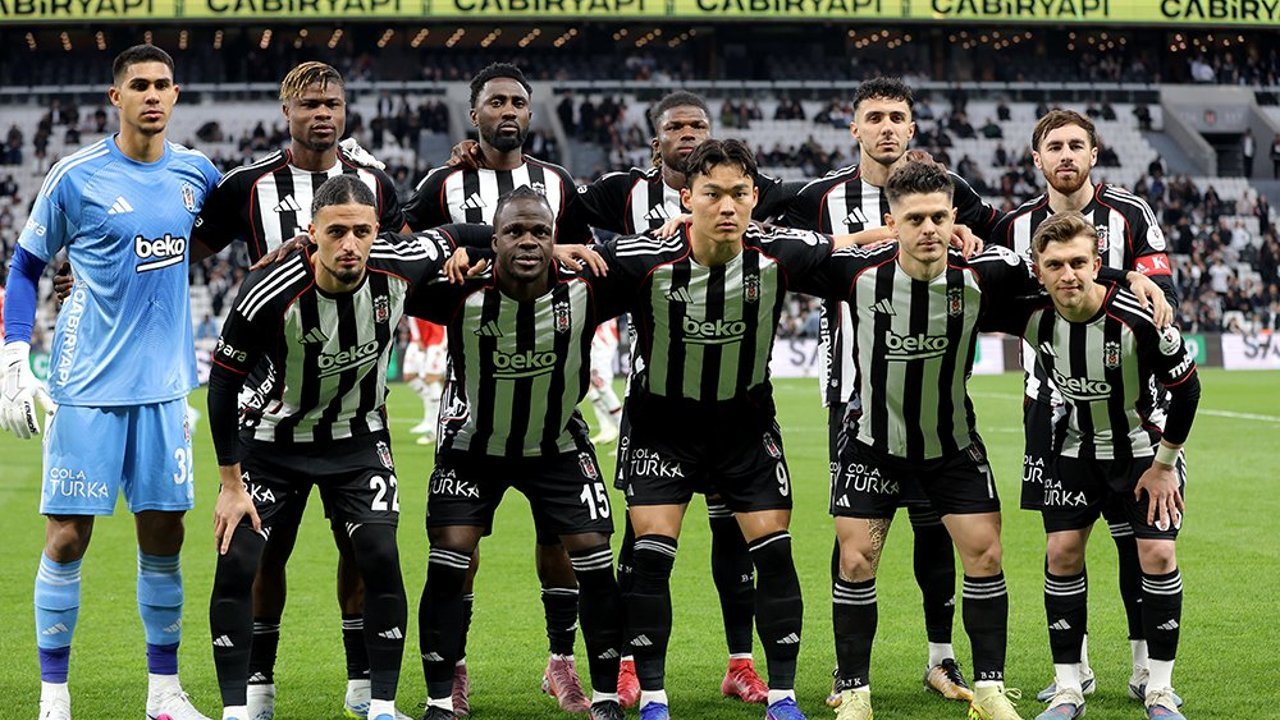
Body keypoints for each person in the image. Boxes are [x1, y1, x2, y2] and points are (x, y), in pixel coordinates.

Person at [795, 161, 1170, 720]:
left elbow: (1061, 268)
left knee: (986, 556)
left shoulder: (986, 269)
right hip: (873, 444)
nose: (929, 229)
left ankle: (990, 691)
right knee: (856, 561)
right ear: (892, 223)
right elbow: (775, 253)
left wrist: (1131, 276)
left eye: (938, 217)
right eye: (914, 219)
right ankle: (854, 692)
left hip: (952, 445)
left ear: (955, 218)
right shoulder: (855, 271)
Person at [597, 139, 860, 720]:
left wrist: (937, 235)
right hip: (662, 426)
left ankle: (783, 698)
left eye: (738, 193)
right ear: (686, 198)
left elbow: (850, 245)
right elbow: (570, 263)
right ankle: (654, 699)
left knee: (775, 554)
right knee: (650, 558)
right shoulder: (643, 258)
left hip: (744, 427)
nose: (726, 206)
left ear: (754, 198)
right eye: (711, 194)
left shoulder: (780, 253)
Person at [1, 44, 220, 720]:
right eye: (139, 85)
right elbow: (25, 266)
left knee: (165, 538)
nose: (152, 95)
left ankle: (163, 694)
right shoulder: (75, 175)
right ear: (115, 96)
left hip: (163, 391)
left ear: (176, 94)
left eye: (163, 84)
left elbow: (220, 231)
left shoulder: (197, 173)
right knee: (66, 538)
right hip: (87, 387)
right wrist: (13, 360)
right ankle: (54, 697)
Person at [205, 175, 474, 720]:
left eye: (361, 231)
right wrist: (231, 485)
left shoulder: (402, 261)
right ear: (312, 232)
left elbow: (475, 230)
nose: (350, 244)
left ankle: (378, 703)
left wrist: (547, 248)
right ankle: (242, 704)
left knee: (379, 554)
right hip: (272, 441)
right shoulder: (268, 291)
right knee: (240, 561)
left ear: (377, 231)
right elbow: (222, 384)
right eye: (336, 232)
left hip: (357, 438)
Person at [191, 61, 410, 720]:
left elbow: (405, 253)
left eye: (333, 104)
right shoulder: (247, 185)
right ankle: (257, 686)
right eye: (310, 104)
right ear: (286, 111)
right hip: (272, 405)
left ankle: (362, 684)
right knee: (264, 554)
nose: (323, 115)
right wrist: (93, 275)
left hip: (353, 404)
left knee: (364, 549)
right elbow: (185, 251)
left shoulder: (375, 183)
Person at [781, 77, 1001, 707]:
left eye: (896, 117)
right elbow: (765, 234)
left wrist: (972, 239)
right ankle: (847, 673)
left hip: (932, 390)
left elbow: (1005, 234)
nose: (885, 127)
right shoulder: (820, 197)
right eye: (873, 117)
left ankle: (941, 658)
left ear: (912, 127)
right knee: (855, 535)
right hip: (852, 393)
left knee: (935, 528)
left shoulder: (947, 190)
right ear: (854, 128)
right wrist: (850, 242)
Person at [403, 62, 593, 713]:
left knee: (560, 539)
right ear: (474, 113)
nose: (507, 111)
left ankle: (561, 663)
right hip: (473, 398)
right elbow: (402, 250)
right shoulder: (442, 183)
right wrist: (445, 251)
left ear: (530, 114)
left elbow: (587, 257)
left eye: (517, 102)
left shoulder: (558, 183)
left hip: (549, 397)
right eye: (495, 102)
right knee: (460, 545)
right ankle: (454, 668)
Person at [410, 186, 626, 720]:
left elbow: (652, 261)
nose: (528, 241)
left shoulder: (587, 287)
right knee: (450, 559)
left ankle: (593, 688)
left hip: (556, 444)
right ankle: (445, 688)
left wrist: (685, 226)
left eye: (540, 233)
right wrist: (454, 248)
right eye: (514, 231)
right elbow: (389, 267)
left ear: (555, 240)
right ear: (495, 239)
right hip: (472, 446)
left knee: (593, 556)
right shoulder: (458, 291)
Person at [990, 109, 1180, 705]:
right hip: (1050, 408)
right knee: (1064, 541)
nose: (1066, 155)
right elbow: (1000, 293)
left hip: (1128, 405)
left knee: (1135, 540)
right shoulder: (1014, 225)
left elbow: (1162, 295)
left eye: (1077, 145)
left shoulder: (1131, 213)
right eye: (1055, 146)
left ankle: (1145, 666)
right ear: (1037, 159)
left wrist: (1137, 280)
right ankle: (1076, 670)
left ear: (1094, 154)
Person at [403, 317, 448, 445]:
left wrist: (446, 340)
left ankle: (436, 430)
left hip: (437, 339)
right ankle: (430, 420)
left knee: (431, 378)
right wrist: (417, 337)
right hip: (421, 338)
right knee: (410, 376)